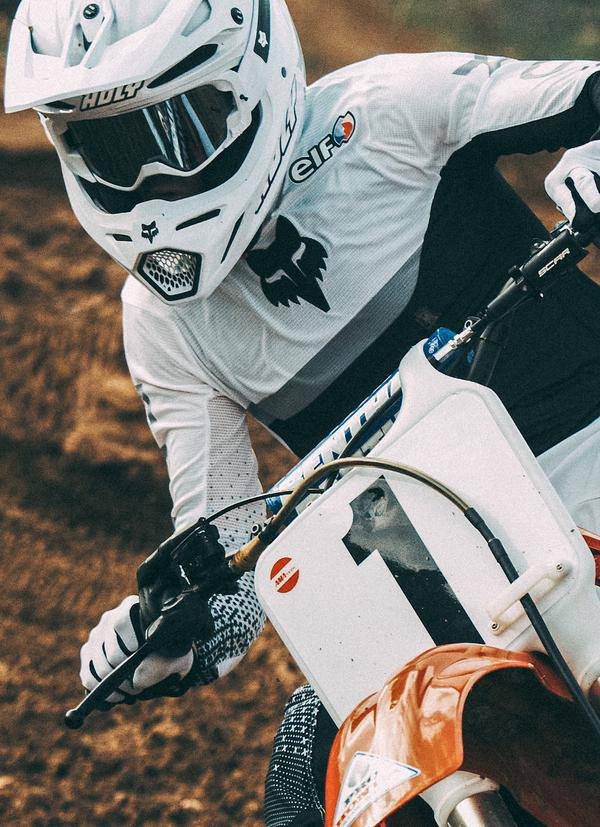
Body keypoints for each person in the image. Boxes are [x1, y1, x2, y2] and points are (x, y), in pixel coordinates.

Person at [5, 1, 600, 824]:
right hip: (433, 598)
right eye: (111, 150)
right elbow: (230, 562)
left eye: (177, 130)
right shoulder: (162, 322)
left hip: (584, 478)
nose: (149, 181)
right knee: (312, 773)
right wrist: (171, 630)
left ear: (249, 73)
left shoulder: (386, 110)